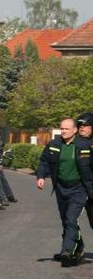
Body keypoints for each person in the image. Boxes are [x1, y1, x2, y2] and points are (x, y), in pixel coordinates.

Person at [36, 118, 93, 267]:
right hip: (61, 188)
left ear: (74, 130)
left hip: (79, 189)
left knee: (71, 218)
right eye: (61, 129)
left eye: (66, 129)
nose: (63, 131)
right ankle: (77, 247)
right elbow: (44, 161)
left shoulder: (85, 145)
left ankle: (66, 251)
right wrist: (41, 176)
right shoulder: (54, 144)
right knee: (65, 220)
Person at [76, 113, 93, 231]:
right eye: (79, 125)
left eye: (85, 125)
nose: (82, 127)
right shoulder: (74, 143)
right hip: (82, 189)